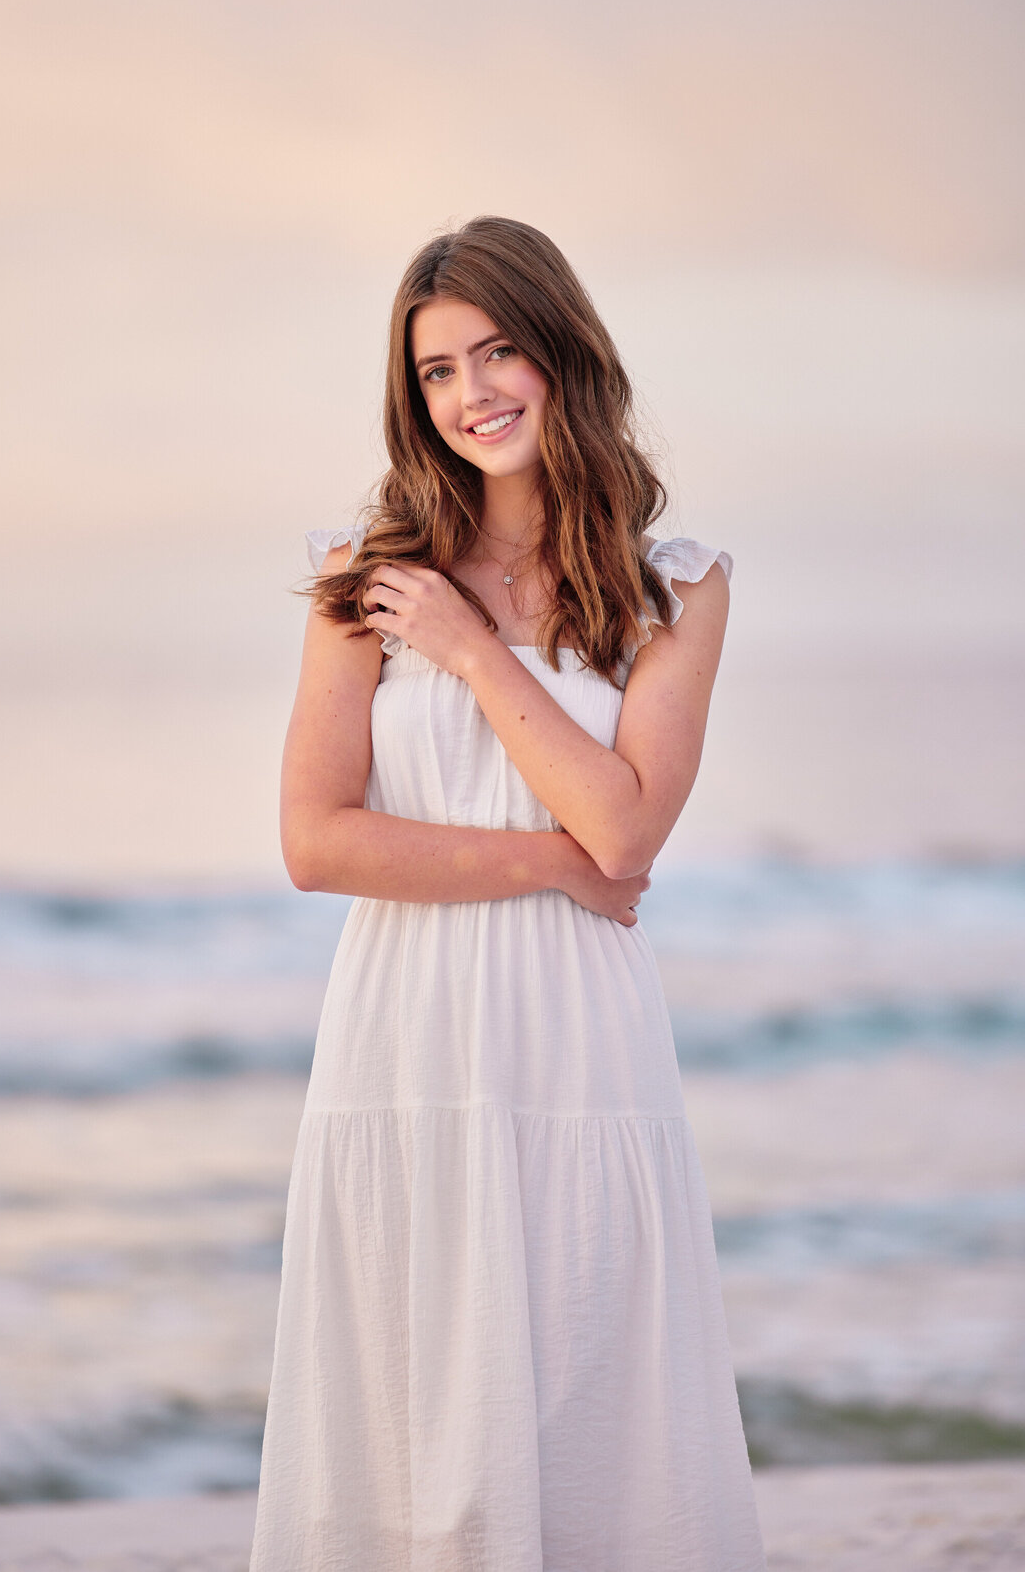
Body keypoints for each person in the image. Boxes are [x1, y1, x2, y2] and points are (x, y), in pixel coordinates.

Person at [248, 216, 767, 1571]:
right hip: (405, 1029)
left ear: (562, 353)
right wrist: (555, 863)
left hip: (581, 1039)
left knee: (591, 1385)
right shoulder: (362, 583)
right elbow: (319, 842)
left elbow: (631, 829)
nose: (471, 393)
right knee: (414, 1396)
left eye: (496, 352)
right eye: (434, 372)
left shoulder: (678, 585)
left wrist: (474, 650)